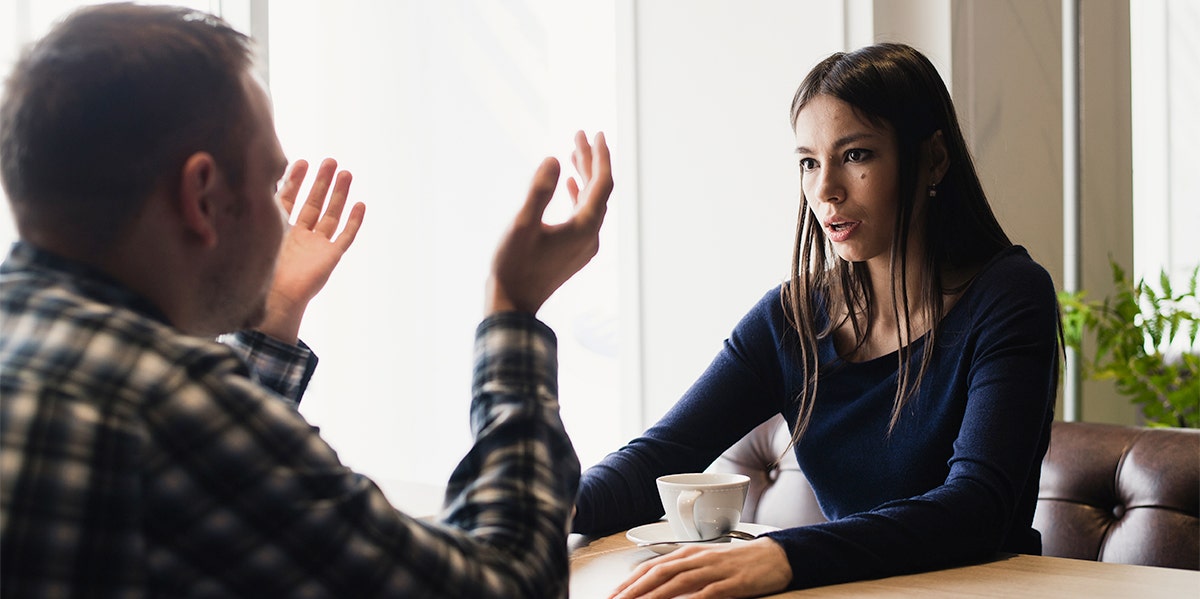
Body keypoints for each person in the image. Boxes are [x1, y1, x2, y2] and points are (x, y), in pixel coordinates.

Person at [0, 3, 612, 598]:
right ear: (201, 196)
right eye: (272, 184)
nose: (283, 221)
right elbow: (509, 582)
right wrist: (513, 309)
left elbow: (202, 493)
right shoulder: (167, 406)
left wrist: (271, 321)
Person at [572, 43, 1060, 597]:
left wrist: (784, 555)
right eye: (809, 161)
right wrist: (539, 510)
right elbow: (659, 455)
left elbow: (976, 507)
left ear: (934, 160)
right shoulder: (792, 318)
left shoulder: (1010, 296)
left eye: (856, 156)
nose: (825, 190)